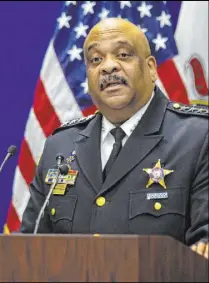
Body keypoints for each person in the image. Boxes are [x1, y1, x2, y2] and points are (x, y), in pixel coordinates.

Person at [20, 18, 208, 259]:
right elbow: (29, 246)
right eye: (95, 59)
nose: (108, 67)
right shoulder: (61, 145)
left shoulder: (198, 137)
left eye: (123, 54)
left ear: (151, 68)